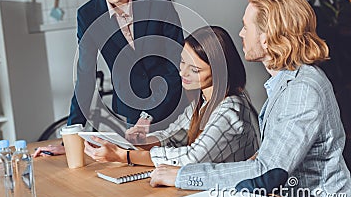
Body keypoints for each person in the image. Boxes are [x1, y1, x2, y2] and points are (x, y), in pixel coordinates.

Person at [149, 0, 351, 197]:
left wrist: (182, 176)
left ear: (267, 38)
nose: (241, 33)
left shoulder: (302, 90)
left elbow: (266, 172)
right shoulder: (287, 83)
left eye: (246, 27)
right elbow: (266, 161)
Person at [33, 0, 186, 157]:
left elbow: (177, 62)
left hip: (173, 107)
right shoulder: (88, 15)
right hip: (130, 115)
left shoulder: (157, 0)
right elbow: (85, 77)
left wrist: (149, 115)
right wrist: (70, 140)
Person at [84, 26, 260, 167]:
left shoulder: (230, 109)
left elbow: (192, 158)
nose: (182, 72)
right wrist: (134, 142)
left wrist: (126, 156)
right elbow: (171, 137)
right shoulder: (201, 101)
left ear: (220, 72)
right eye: (182, 62)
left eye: (195, 70)